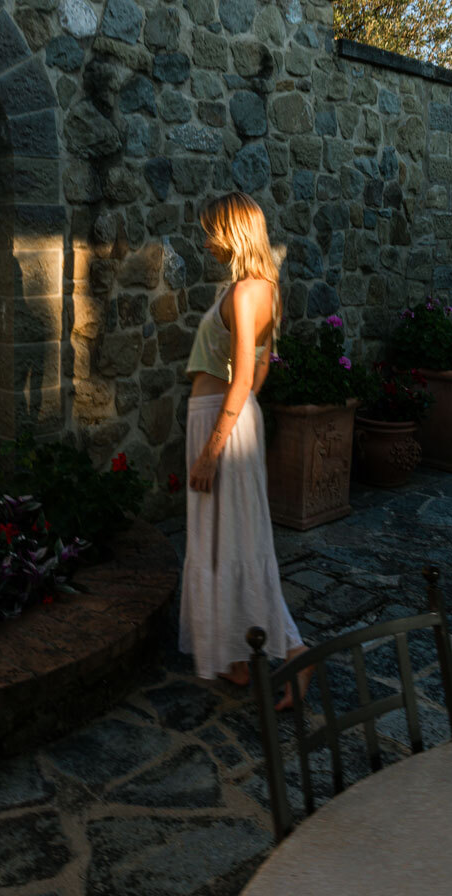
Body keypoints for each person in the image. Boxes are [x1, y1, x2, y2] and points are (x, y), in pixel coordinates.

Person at [179, 193, 313, 708]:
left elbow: (242, 379)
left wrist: (215, 447)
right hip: (230, 420)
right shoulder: (264, 289)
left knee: (236, 542)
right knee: (228, 540)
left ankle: (296, 651)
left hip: (220, 423)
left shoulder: (243, 294)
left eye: (213, 229)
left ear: (232, 231)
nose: (208, 239)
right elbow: (259, 370)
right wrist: (236, 423)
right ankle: (236, 659)